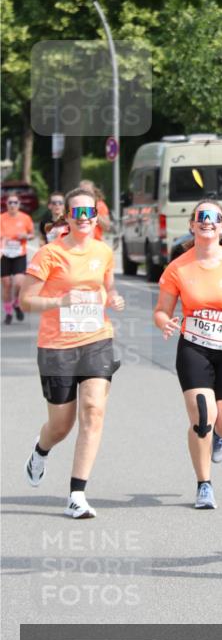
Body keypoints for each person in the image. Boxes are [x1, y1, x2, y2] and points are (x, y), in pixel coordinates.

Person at [19, 186, 125, 519]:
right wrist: (58, 302)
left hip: (96, 339)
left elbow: (106, 289)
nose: (84, 218)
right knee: (61, 425)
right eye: (77, 212)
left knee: (93, 410)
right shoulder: (50, 254)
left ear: (96, 216)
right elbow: (26, 301)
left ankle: (77, 494)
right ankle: (41, 449)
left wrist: (114, 299)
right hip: (56, 346)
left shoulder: (103, 252)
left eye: (89, 212)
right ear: (66, 216)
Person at [153, 199, 222, 510]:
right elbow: (161, 310)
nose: (208, 222)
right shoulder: (178, 267)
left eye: (215, 218)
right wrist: (166, 322)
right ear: (192, 224)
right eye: (202, 217)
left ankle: (220, 436)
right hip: (194, 347)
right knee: (203, 416)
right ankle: (204, 485)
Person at [1, 193, 34, 324]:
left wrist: (25, 236)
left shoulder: (25, 218)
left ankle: (16, 303)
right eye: (10, 202)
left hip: (19, 253)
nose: (13, 205)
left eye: (15, 202)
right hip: (4, 254)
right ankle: (8, 312)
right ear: (6, 204)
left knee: (19, 283)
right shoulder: (1, 218)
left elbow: (32, 235)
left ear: (19, 205)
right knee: (7, 284)